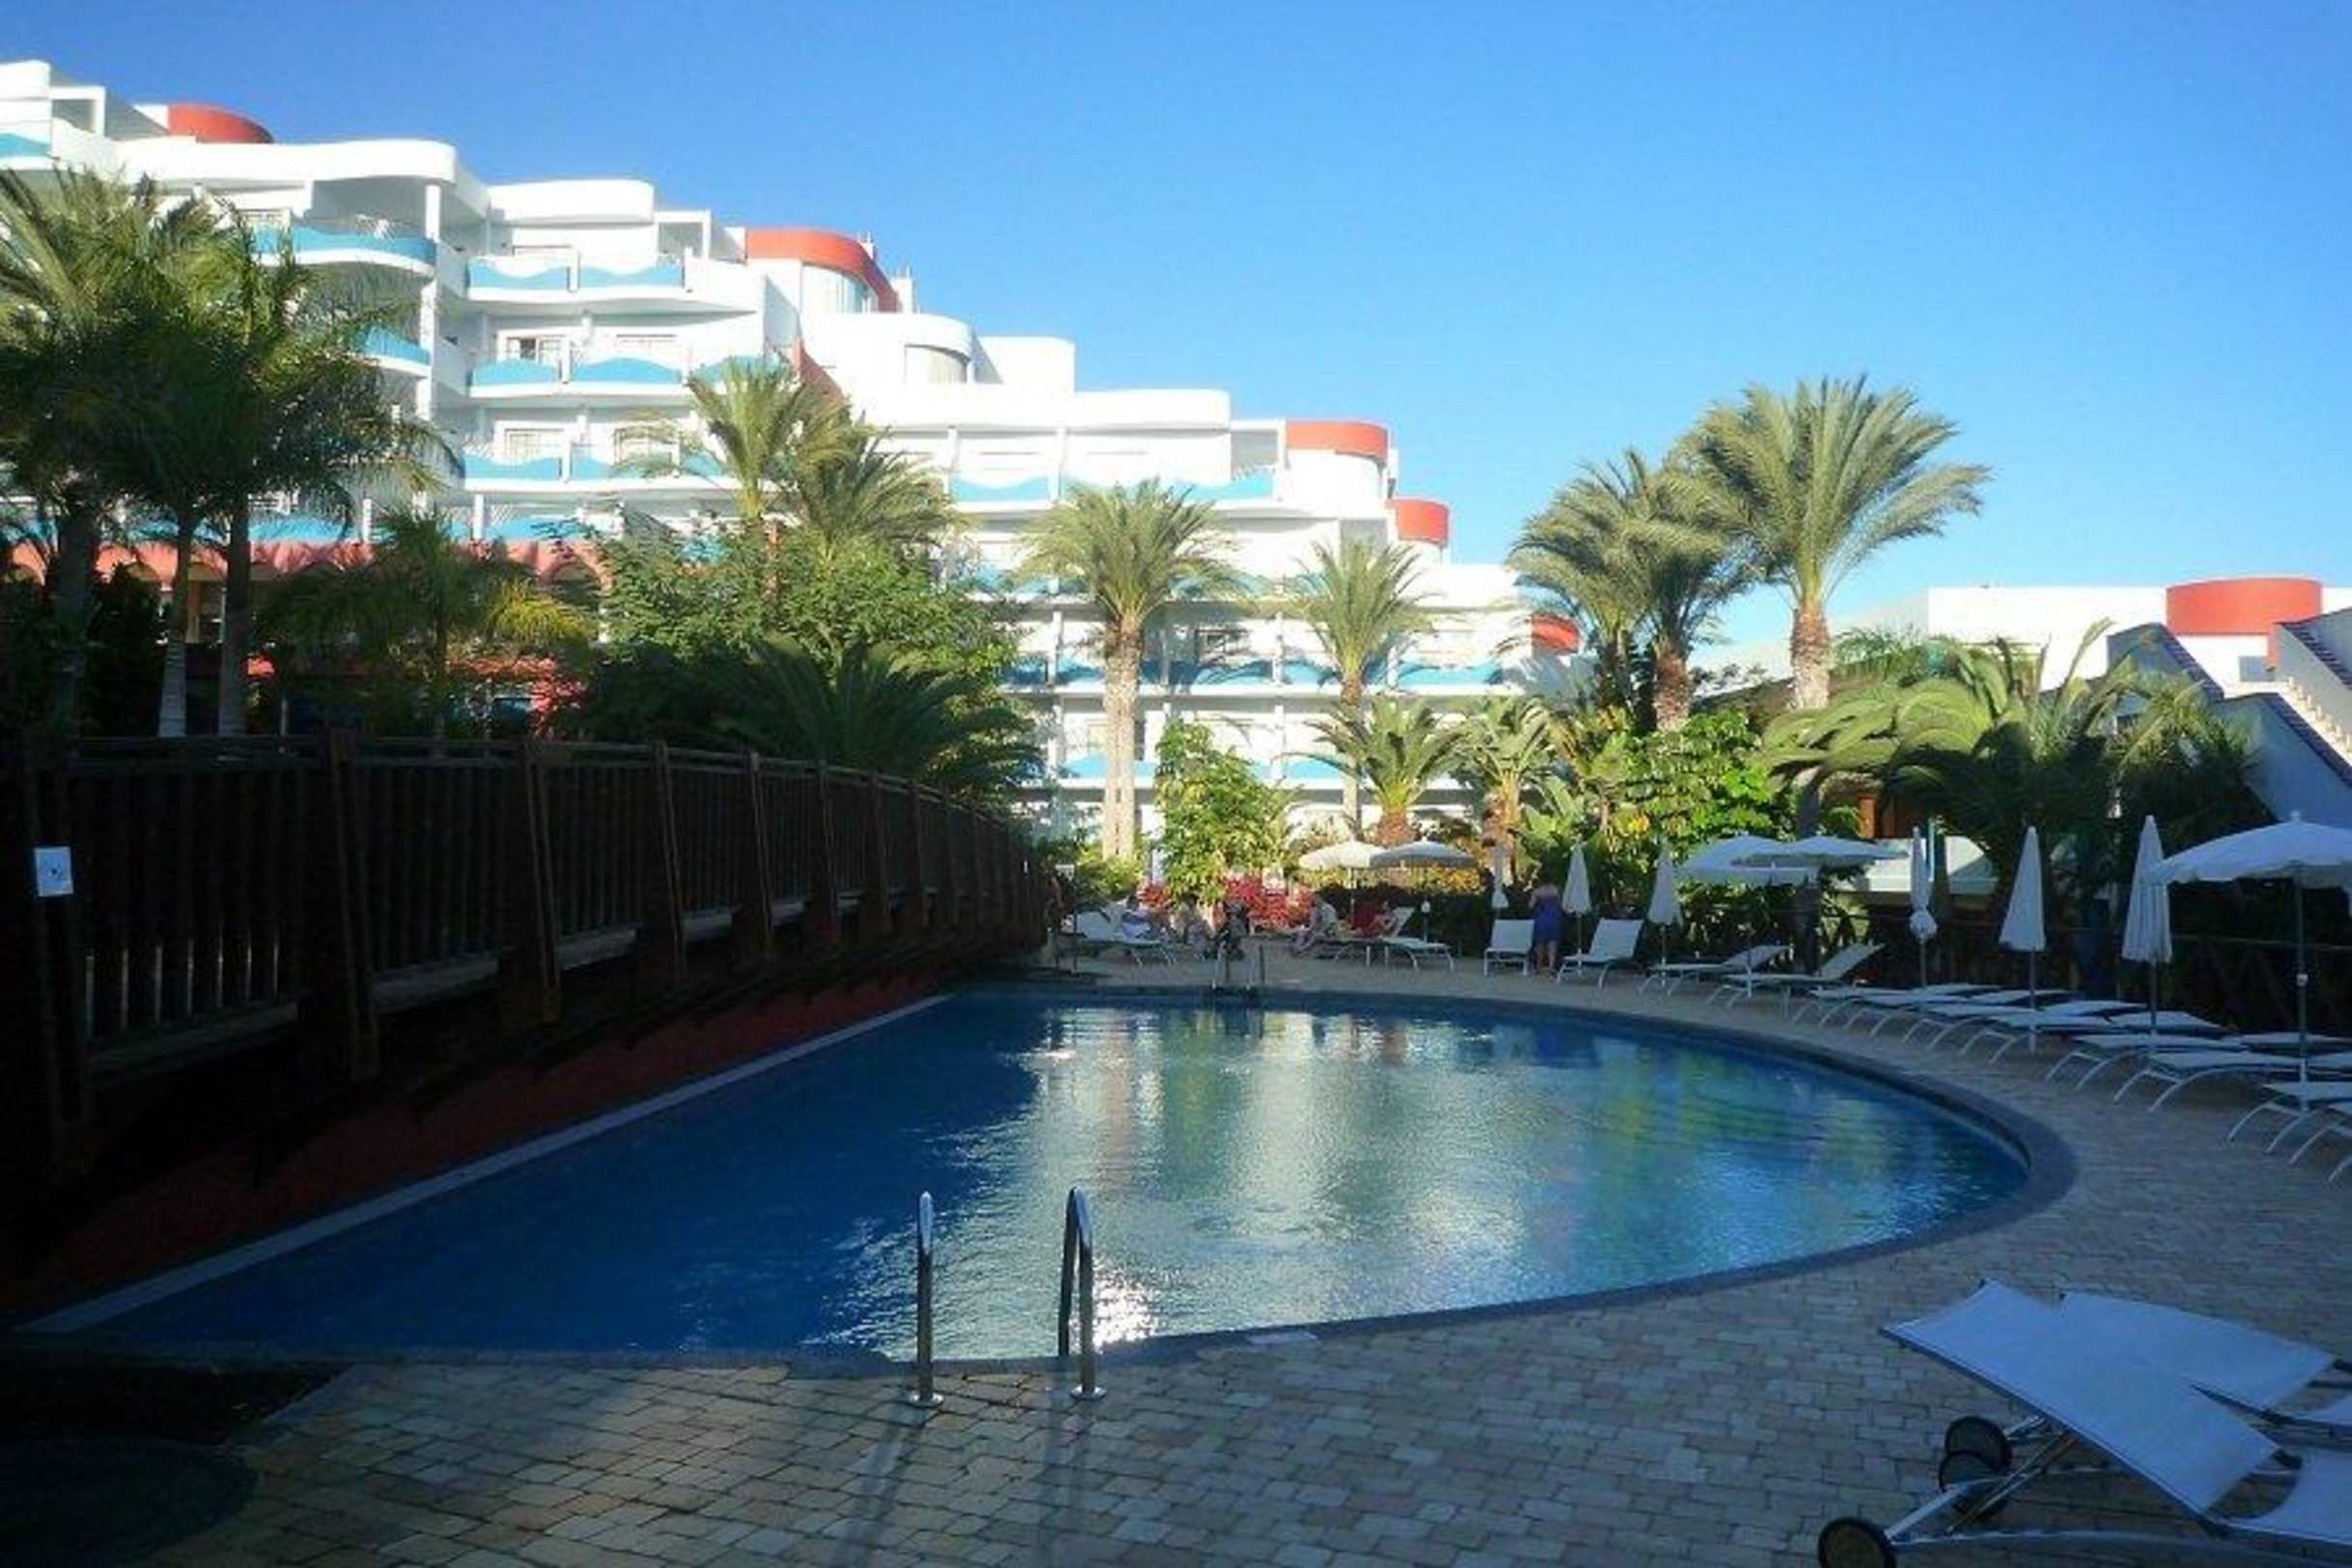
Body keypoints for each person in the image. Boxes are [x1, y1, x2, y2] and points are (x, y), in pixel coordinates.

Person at [1529, 880, 1564, 972]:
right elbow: (1561, 904)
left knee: (1540, 943)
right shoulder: (1556, 890)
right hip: (1553, 918)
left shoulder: (1537, 891)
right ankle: (1551, 966)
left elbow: (1531, 905)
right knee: (1552, 942)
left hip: (1541, 918)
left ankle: (1538, 965)